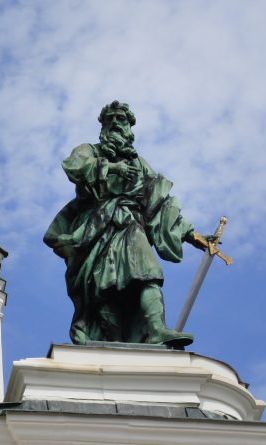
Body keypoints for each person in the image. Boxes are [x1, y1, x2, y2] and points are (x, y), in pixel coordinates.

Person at [44, 100, 209, 347]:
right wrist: (112, 168)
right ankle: (114, 344)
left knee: (148, 273)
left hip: (130, 225)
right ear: (103, 126)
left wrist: (195, 236)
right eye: (110, 119)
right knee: (102, 287)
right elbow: (74, 166)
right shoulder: (89, 150)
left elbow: (160, 203)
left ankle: (156, 329)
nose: (115, 123)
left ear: (129, 126)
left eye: (120, 119)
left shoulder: (139, 164)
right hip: (95, 229)